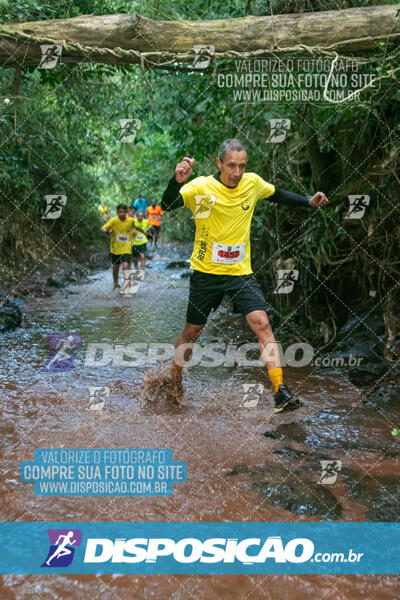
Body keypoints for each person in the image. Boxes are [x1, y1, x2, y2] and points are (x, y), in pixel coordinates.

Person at [161, 138, 329, 413]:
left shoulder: (252, 184)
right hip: (206, 273)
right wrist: (176, 180)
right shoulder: (201, 186)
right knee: (192, 333)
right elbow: (167, 206)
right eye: (231, 166)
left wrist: (308, 201)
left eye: (241, 166)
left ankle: (280, 392)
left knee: (262, 323)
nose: (237, 172)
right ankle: (175, 380)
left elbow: (278, 194)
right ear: (219, 163)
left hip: (240, 272)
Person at [100, 204, 143, 290]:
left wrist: (144, 232)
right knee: (116, 268)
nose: (122, 214)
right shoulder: (113, 221)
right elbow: (102, 228)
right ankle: (116, 284)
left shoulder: (131, 221)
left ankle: (127, 285)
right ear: (117, 212)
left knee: (126, 266)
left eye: (124, 212)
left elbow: (136, 227)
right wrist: (108, 232)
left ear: (127, 212)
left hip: (127, 248)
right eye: (120, 212)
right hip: (115, 249)